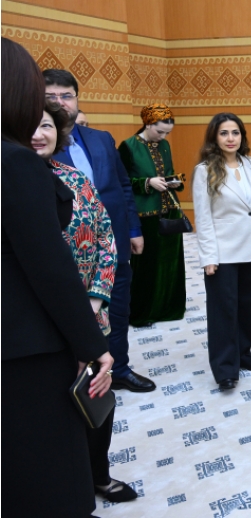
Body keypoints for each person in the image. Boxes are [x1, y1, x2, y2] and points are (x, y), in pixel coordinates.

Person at [2, 37, 113, 518]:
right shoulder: (14, 163)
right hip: (27, 347)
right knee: (47, 473)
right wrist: (91, 343)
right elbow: (47, 266)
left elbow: (103, 234)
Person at [33, 103, 140, 504]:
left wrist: (94, 302)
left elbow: (105, 241)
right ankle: (62, 489)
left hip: (92, 316)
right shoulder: (13, 183)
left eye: (46, 126)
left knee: (95, 400)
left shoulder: (75, 179)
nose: (38, 134)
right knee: (50, 409)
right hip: (39, 323)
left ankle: (98, 475)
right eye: (29, 126)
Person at [45, 69, 156, 394]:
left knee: (118, 311)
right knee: (75, 317)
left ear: (77, 99)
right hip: (69, 251)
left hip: (114, 244)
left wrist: (133, 229)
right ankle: (80, 380)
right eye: (51, 96)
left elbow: (123, 186)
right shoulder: (37, 144)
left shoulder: (101, 138)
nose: (60, 102)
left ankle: (119, 370)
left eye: (66, 95)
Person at [193, 113, 251, 391]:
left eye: (235, 133)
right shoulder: (205, 170)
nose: (231, 138)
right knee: (223, 310)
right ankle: (225, 368)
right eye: (224, 133)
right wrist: (208, 257)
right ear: (214, 137)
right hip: (223, 250)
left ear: (242, 136)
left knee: (245, 304)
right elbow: (203, 217)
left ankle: (243, 353)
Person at [117, 104, 186, 326]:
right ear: (147, 124)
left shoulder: (164, 145)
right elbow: (121, 181)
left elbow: (167, 172)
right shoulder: (128, 146)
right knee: (147, 265)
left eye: (167, 133)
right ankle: (142, 313)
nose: (163, 137)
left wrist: (174, 180)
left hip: (169, 211)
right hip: (144, 214)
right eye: (160, 131)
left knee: (170, 262)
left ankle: (168, 309)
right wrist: (147, 183)